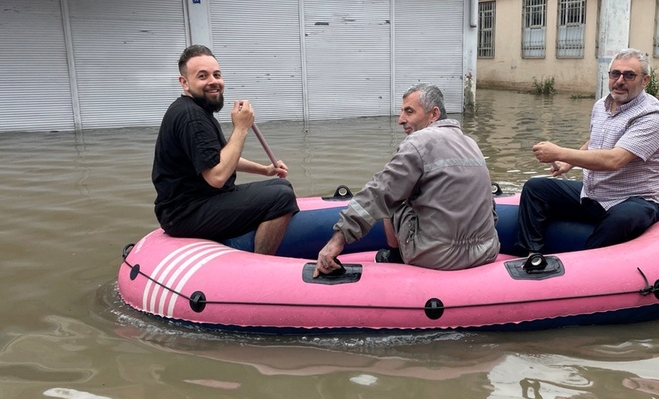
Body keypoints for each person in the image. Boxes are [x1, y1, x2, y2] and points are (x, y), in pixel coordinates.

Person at [315, 83, 500, 276]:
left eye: (409, 112)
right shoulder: (470, 143)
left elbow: (380, 192)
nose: (400, 120)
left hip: (438, 257)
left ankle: (395, 257)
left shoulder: (417, 143)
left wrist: (337, 240)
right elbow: (490, 206)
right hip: (486, 251)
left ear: (434, 114)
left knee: (394, 196)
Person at [515, 48, 659, 265]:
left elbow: (614, 159)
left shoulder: (651, 116)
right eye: (615, 74)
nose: (620, 80)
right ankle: (530, 256)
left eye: (629, 75)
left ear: (645, 80)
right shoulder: (601, 106)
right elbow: (597, 141)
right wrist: (568, 162)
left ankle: (583, 268)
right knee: (535, 188)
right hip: (594, 193)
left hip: (635, 199)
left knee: (623, 218)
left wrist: (560, 152)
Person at [152, 44, 299, 255]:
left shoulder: (197, 110)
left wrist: (265, 170)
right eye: (202, 76)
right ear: (184, 83)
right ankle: (260, 265)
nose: (213, 81)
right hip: (186, 212)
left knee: (281, 185)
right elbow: (217, 177)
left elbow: (218, 158)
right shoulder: (191, 117)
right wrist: (241, 128)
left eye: (217, 75)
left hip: (199, 203)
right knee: (281, 197)